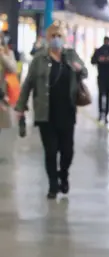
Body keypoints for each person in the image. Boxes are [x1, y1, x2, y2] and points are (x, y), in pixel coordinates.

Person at [15, 24, 88, 199]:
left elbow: (84, 72)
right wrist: (21, 107)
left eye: (59, 35)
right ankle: (53, 185)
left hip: (67, 111)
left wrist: (79, 69)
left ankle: (63, 174)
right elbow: (28, 84)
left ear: (63, 38)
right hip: (45, 113)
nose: (56, 38)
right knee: (50, 150)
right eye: (53, 35)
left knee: (67, 151)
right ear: (48, 38)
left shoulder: (70, 56)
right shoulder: (39, 59)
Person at [91, 36, 109, 123]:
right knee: (104, 96)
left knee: (104, 96)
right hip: (103, 77)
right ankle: (102, 114)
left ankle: (103, 115)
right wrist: (100, 60)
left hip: (106, 77)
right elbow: (93, 61)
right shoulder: (100, 51)